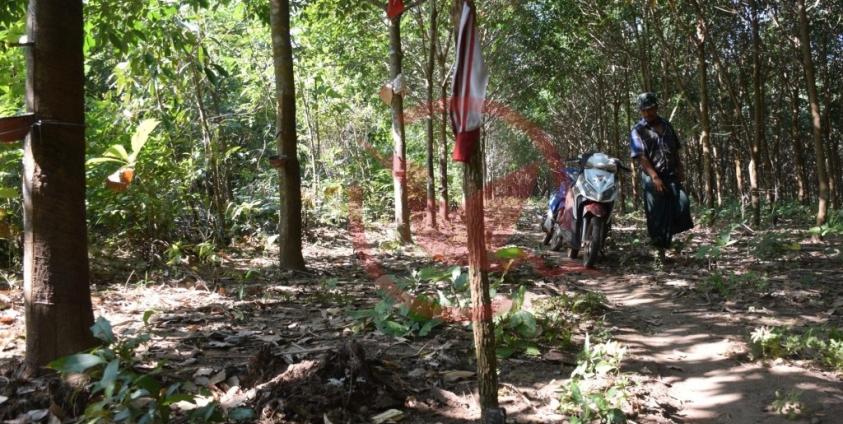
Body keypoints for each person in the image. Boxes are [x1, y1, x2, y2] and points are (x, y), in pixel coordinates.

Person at [630, 92, 693, 258]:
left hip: (670, 174)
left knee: (682, 204)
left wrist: (680, 168)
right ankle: (660, 250)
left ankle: (668, 237)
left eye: (650, 109)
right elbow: (641, 156)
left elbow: (675, 149)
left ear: (656, 107)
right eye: (644, 110)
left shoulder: (666, 125)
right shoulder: (638, 130)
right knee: (657, 214)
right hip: (652, 176)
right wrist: (654, 177)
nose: (647, 113)